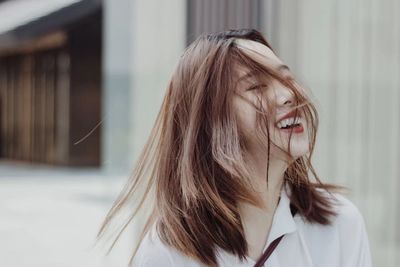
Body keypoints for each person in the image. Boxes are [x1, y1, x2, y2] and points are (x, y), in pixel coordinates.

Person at [97, 29, 372, 267]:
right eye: (255, 87)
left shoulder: (340, 225)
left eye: (286, 78)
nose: (289, 95)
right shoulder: (166, 256)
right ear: (212, 120)